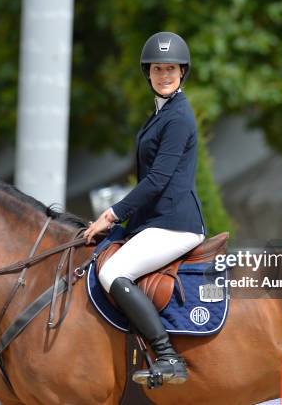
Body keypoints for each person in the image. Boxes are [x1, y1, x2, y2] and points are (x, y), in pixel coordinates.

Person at [83, 31, 205, 386]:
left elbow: (157, 181)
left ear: (182, 72)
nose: (164, 75)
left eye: (170, 68)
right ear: (147, 74)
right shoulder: (161, 113)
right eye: (157, 69)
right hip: (155, 221)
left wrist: (112, 214)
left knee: (113, 273)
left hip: (175, 223)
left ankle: (168, 356)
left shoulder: (178, 117)